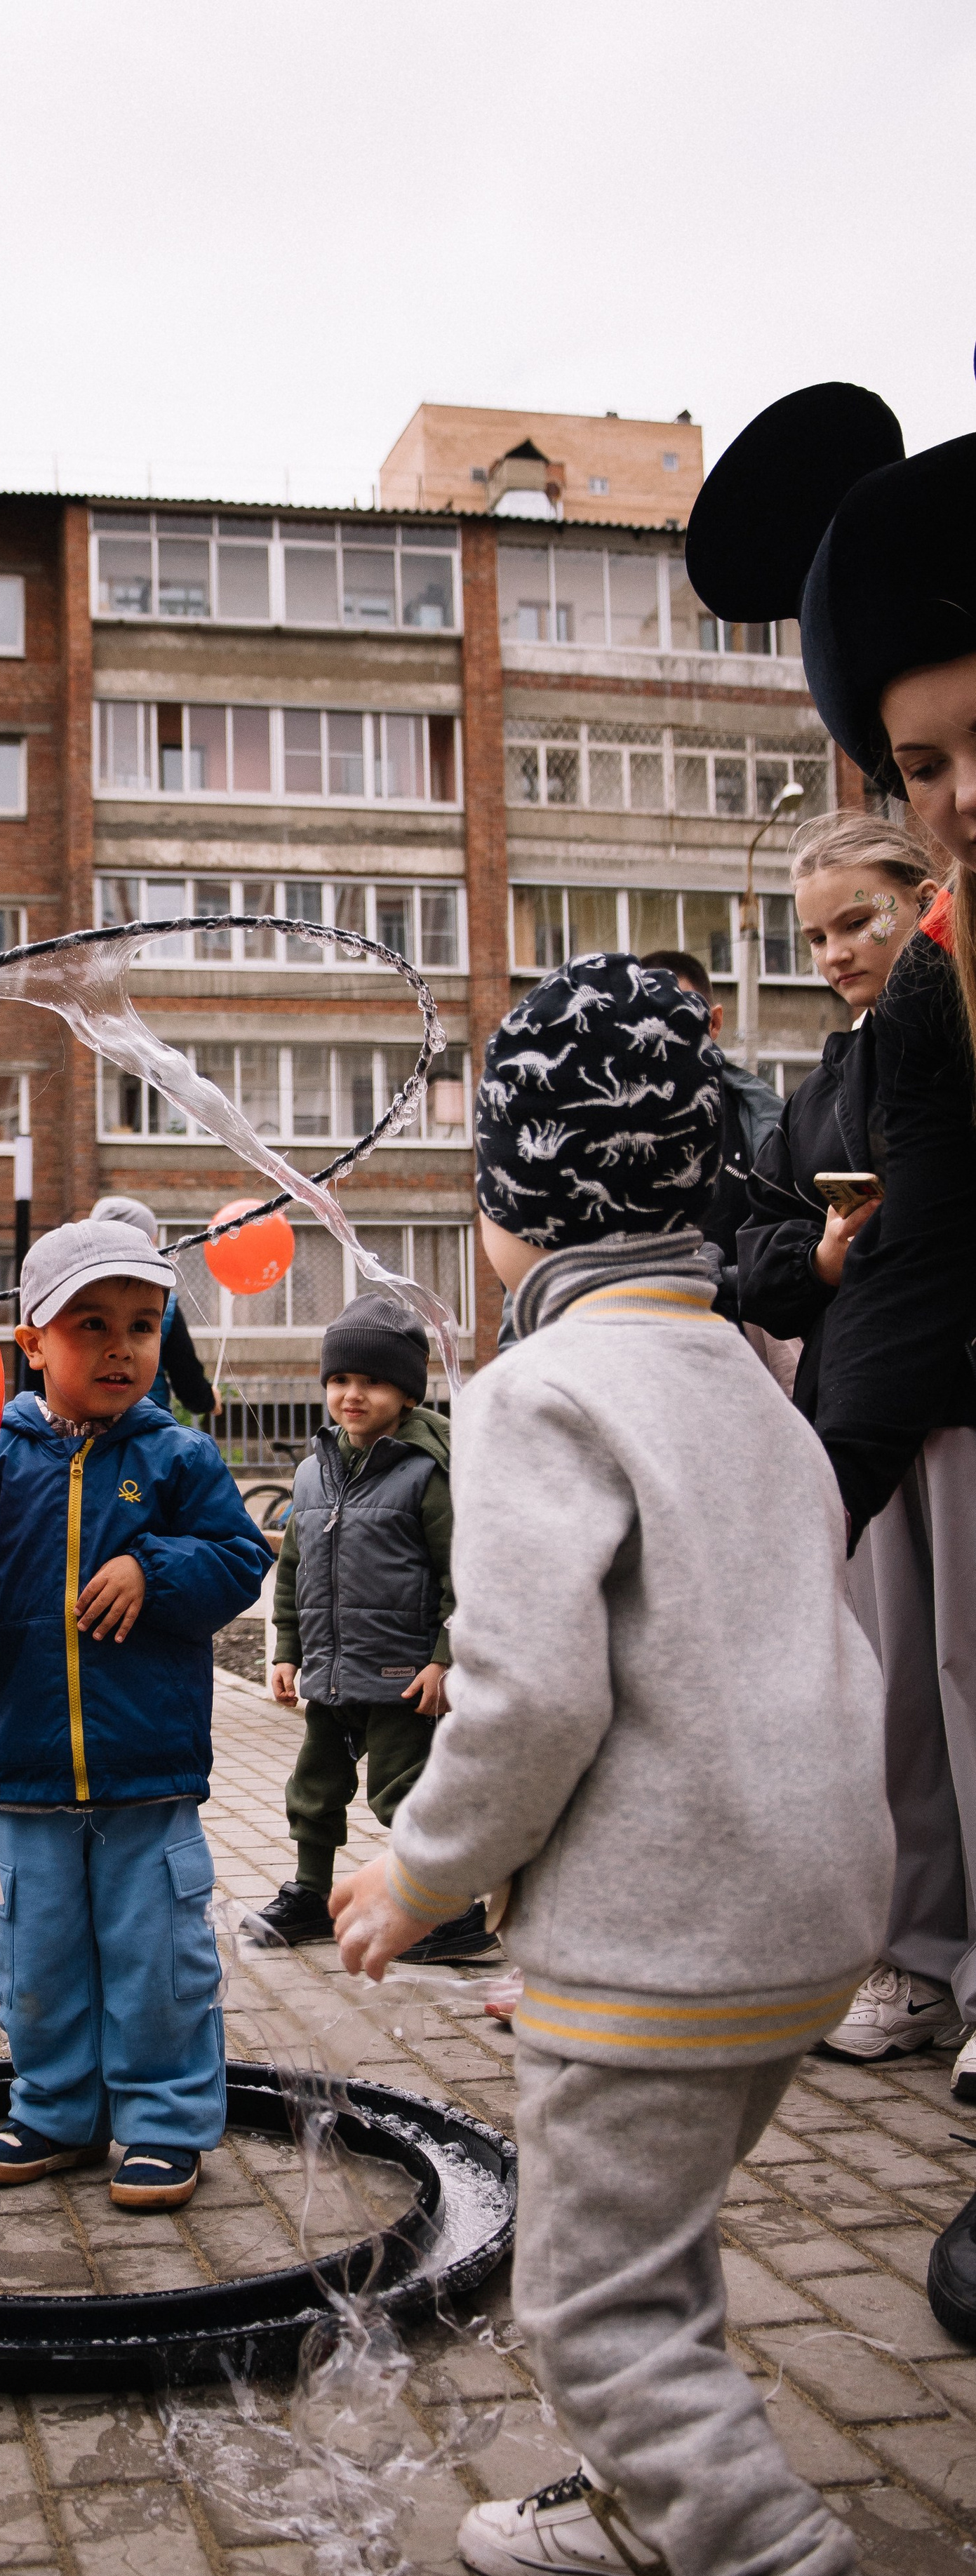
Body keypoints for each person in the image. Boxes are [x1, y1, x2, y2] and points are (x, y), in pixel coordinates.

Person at [333, 953, 916, 2576]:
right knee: (650, 2249)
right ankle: (644, 2513)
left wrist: (421, 1870)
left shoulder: (535, 1392)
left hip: (664, 1928)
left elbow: (530, 1695)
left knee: (593, 2305)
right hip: (813, 1914)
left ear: (518, 1204)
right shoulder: (751, 1376)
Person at [690, 383, 976, 2359]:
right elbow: (876, 1259)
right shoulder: (945, 997)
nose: (962, 795)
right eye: (923, 760)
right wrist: (796, 1508)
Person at [0, 1219, 269, 2212]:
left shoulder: (178, 1454)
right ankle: (56, 2109)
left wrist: (152, 1569)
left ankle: (161, 2119)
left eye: (144, 1326)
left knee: (158, 1956)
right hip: (22, 1767)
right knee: (40, 1957)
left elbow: (240, 1559)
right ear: (32, 1342)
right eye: (90, 1324)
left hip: (147, 1769)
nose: (121, 1347)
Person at [248, 1302, 494, 1963]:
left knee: (403, 1790)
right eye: (340, 1381)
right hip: (331, 1667)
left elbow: (463, 1576)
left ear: (407, 1392)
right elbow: (295, 1568)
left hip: (403, 1672)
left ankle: (450, 1907)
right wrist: (287, 1651)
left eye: (372, 1383)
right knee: (314, 1788)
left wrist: (445, 1660)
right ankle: (309, 1893)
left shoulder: (428, 1473)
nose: (352, 1396)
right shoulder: (312, 1472)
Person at [736, 817, 933, 1429]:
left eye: (857, 922)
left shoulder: (957, 1057)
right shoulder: (813, 1100)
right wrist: (821, 1259)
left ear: (926, 904)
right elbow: (758, 1259)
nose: (836, 954)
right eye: (816, 938)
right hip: (857, 1406)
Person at [636, 949, 782, 1325]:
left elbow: (792, 1249)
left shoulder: (769, 1126)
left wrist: (727, 1279)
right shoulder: (604, 1130)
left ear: (714, 1023)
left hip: (745, 1351)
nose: (665, 1038)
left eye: (680, 1019)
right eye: (647, 1022)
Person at [87, 1196, 218, 1417]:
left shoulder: (68, 1300)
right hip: (147, 1432)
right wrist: (209, 1400)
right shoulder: (163, 1306)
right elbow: (186, 1379)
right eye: (152, 1241)